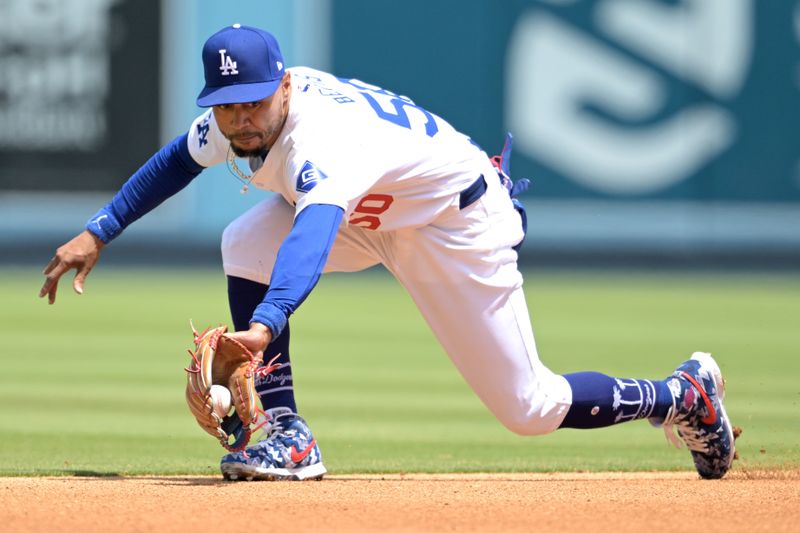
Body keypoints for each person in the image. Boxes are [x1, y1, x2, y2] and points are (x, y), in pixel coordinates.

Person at [39, 24, 735, 481]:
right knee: (244, 238)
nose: (241, 118)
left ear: (283, 86)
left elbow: (311, 236)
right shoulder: (235, 121)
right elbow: (175, 161)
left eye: (253, 101)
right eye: (228, 106)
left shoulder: (320, 135)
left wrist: (266, 322)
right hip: (374, 214)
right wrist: (100, 228)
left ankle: (682, 395)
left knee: (530, 406)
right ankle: (287, 432)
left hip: (451, 224)